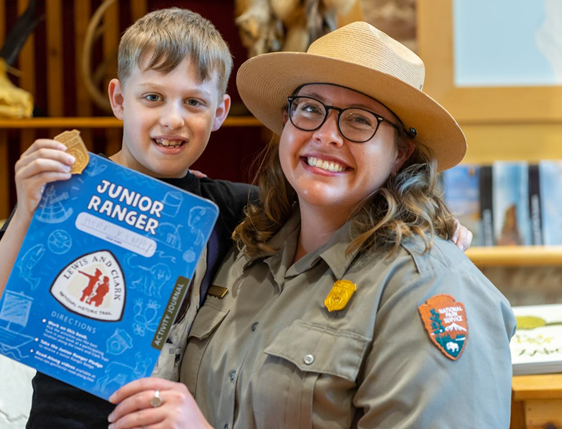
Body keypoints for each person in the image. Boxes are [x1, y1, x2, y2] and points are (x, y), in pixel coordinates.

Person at [107, 22, 516, 429]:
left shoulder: (426, 286)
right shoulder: (246, 251)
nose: (326, 135)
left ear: (399, 153)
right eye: (310, 109)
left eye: (359, 120)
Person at [0, 8, 255, 429]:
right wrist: (26, 206)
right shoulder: (62, 189)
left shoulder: (228, 208)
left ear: (220, 112)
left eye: (194, 102)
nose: (173, 119)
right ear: (119, 99)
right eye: (153, 97)